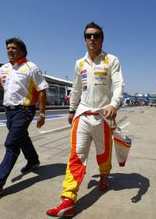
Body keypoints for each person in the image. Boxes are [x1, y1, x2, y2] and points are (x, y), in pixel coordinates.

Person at [46, 22, 124, 217]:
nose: (92, 39)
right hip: (83, 115)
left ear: (102, 39)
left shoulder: (111, 60)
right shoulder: (79, 63)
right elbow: (76, 89)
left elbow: (119, 84)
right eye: (88, 35)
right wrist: (72, 110)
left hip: (103, 117)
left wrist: (114, 104)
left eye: (96, 35)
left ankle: (104, 176)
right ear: (84, 38)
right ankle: (68, 199)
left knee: (103, 153)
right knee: (76, 156)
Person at [0, 38, 49, 198]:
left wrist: (42, 113)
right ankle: (33, 160)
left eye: (13, 48)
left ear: (22, 51)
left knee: (11, 144)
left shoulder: (31, 68)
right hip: (9, 111)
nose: (9, 50)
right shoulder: (4, 68)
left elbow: (43, 89)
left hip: (24, 111)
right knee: (21, 137)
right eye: (8, 48)